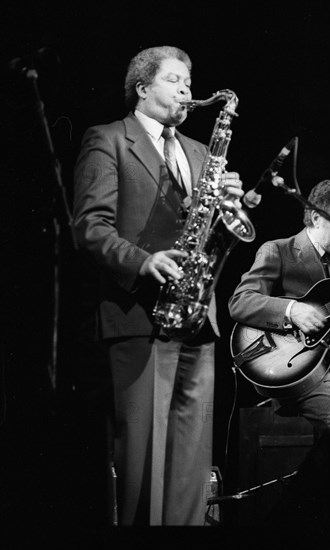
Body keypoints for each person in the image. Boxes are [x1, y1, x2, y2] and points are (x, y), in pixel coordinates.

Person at [72, 45, 244, 526]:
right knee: (144, 466)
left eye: (189, 80)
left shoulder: (200, 151)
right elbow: (91, 226)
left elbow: (209, 233)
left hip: (196, 317)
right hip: (139, 315)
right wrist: (144, 262)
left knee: (191, 471)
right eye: (174, 79)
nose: (188, 90)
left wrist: (230, 205)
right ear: (142, 88)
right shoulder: (107, 139)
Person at [229, 179, 330, 434]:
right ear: (316, 218)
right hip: (298, 371)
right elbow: (239, 302)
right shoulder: (278, 250)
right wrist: (292, 310)